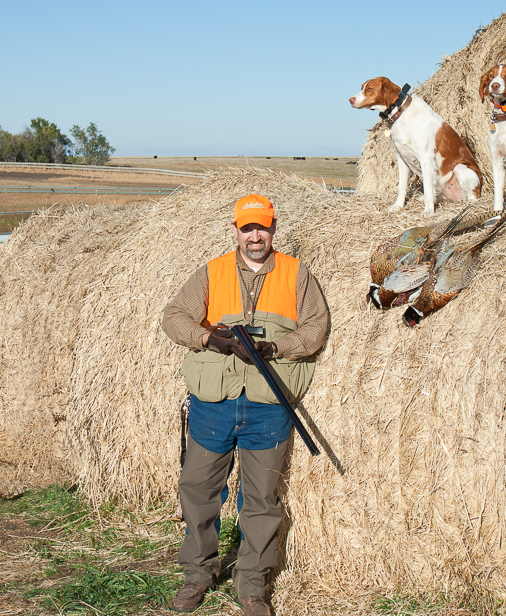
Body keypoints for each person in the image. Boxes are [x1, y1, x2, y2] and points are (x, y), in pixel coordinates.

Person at [161, 194, 329, 616]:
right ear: (235, 230)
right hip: (213, 401)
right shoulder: (211, 272)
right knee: (198, 490)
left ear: (274, 228)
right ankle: (198, 574)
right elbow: (174, 316)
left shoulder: (296, 274)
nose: (256, 236)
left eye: (263, 227)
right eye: (248, 228)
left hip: (268, 404)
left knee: (261, 500)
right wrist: (208, 338)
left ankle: (252, 584)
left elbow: (317, 328)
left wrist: (276, 346)